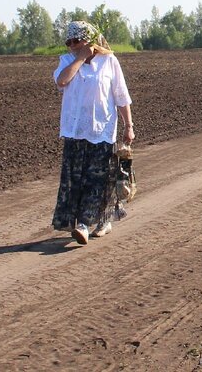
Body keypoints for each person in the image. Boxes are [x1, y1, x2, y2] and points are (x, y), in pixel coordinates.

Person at [52, 20, 136, 245]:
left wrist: (129, 126)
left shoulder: (109, 61)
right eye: (68, 41)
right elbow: (62, 81)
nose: (71, 45)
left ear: (88, 40)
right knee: (74, 180)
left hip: (102, 131)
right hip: (75, 131)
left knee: (97, 180)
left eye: (76, 41)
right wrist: (80, 57)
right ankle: (85, 221)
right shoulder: (67, 61)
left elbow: (121, 95)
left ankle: (84, 225)